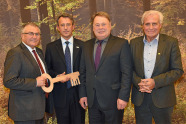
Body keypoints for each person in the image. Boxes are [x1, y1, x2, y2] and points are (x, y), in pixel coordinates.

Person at [3, 22, 69, 124]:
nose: (34, 37)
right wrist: (34, 82)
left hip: (40, 110)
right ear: (22, 36)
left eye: (37, 34)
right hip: (24, 113)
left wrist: (56, 78)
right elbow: (9, 81)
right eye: (31, 33)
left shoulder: (38, 52)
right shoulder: (15, 53)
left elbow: (42, 76)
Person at [130, 10, 184, 124]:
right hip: (141, 98)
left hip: (163, 98)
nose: (151, 27)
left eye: (154, 24)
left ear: (160, 25)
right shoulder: (134, 43)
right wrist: (139, 82)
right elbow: (128, 69)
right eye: (147, 24)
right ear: (142, 26)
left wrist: (155, 82)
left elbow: (177, 70)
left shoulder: (171, 42)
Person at [79, 11, 133, 124]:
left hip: (113, 100)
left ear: (110, 25)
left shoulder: (121, 44)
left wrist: (123, 96)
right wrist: (83, 94)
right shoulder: (86, 45)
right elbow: (83, 72)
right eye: (97, 25)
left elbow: (127, 73)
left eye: (104, 24)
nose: (100, 27)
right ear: (93, 28)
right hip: (92, 101)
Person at [45, 13, 85, 124]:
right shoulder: (51, 47)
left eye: (68, 24)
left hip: (78, 94)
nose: (66, 28)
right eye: (62, 25)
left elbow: (86, 69)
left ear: (73, 26)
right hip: (60, 95)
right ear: (58, 28)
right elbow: (47, 70)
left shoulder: (83, 46)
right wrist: (56, 76)